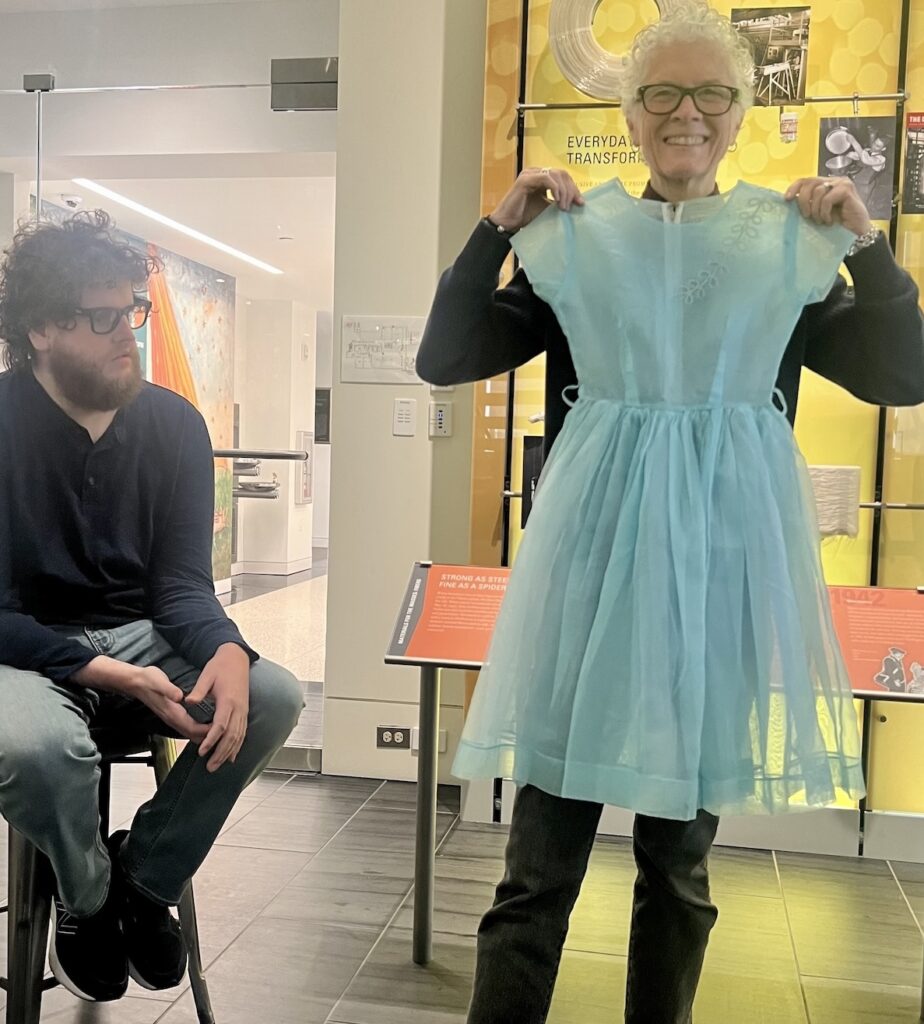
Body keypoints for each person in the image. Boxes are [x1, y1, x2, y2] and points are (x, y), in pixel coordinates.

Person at [416, 4, 924, 1022]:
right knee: (535, 875)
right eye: (662, 92)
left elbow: (901, 374)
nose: (686, 113)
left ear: (742, 115)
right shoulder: (573, 242)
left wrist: (866, 248)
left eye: (711, 94)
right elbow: (445, 356)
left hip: (714, 584)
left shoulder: (786, 246)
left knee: (679, 873)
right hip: (589, 582)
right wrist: (496, 230)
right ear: (631, 110)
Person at [0, 210, 303, 1003]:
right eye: (102, 319)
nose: (124, 336)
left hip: (143, 634)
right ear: (38, 330)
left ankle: (145, 877)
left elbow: (179, 585)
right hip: (24, 647)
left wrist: (228, 649)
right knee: (35, 748)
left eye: (131, 311)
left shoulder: (173, 425)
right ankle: (88, 895)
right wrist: (95, 668)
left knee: (271, 697)